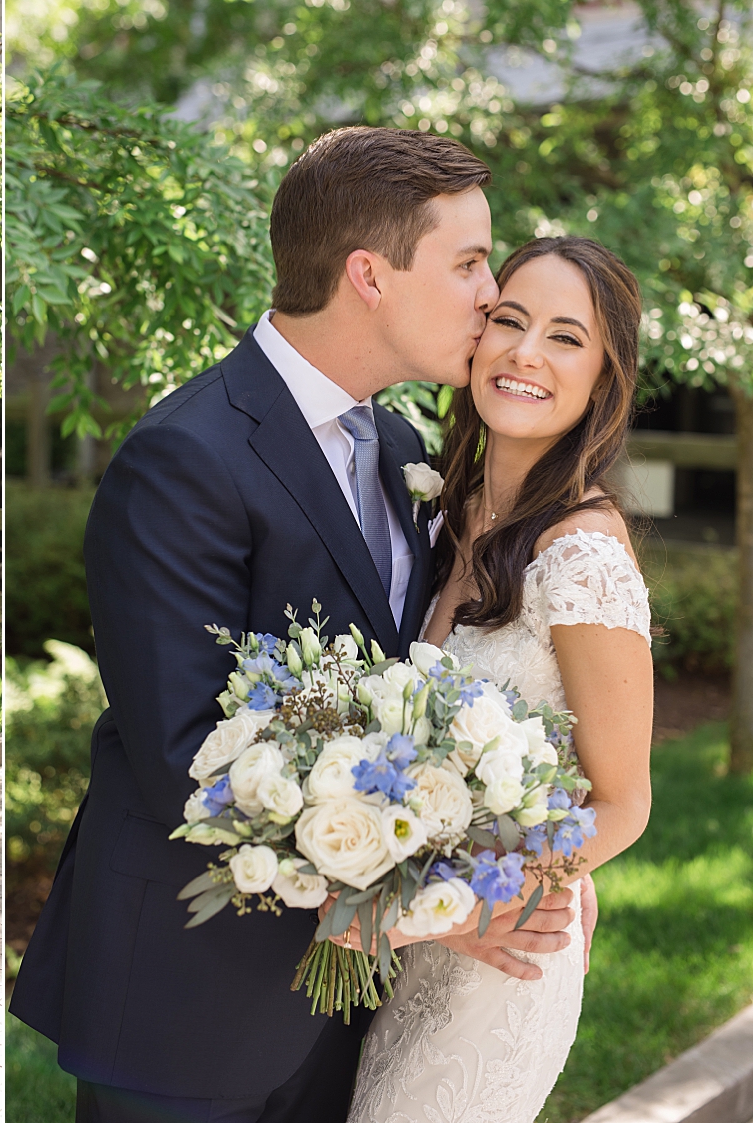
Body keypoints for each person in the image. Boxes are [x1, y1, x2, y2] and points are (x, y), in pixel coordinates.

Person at [9, 127, 588, 1122]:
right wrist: (433, 912)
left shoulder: (401, 443)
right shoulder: (184, 457)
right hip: (185, 1004)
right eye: (467, 263)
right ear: (369, 273)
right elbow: (189, 761)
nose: (491, 293)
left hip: (342, 1013)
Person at [347, 236, 652, 1122]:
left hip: (501, 960)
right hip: (403, 948)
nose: (525, 352)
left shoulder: (584, 555)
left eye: (566, 337)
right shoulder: (441, 512)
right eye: (509, 321)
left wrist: (439, 907)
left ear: (603, 378)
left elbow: (623, 803)